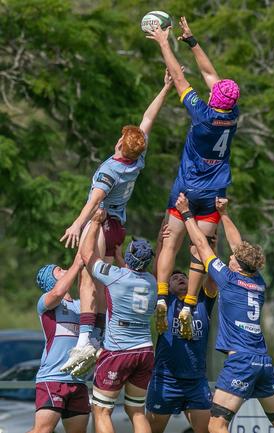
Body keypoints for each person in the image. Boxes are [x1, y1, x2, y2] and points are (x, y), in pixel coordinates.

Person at [60, 70, 174, 373]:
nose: (119, 138)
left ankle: (85, 340)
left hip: (101, 221)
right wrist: (164, 89)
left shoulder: (110, 169)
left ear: (121, 145)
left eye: (121, 138)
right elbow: (147, 119)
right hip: (117, 228)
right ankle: (98, 338)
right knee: (103, 282)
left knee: (88, 275)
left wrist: (77, 224)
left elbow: (94, 200)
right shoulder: (137, 157)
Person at [146, 17, 240, 339]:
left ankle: (161, 297)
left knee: (170, 242)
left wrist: (164, 42)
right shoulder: (232, 116)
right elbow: (212, 76)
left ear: (215, 99)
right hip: (214, 193)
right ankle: (188, 305)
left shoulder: (203, 114)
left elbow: (178, 76)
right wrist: (191, 41)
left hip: (187, 189)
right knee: (202, 249)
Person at [175, 192, 274, 433]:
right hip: (263, 363)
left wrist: (186, 213)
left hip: (241, 363)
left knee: (216, 425)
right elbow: (239, 247)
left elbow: (202, 245)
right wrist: (224, 215)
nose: (230, 257)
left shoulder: (228, 279)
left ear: (237, 265)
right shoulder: (257, 281)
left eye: (233, 258)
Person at [79, 207, 157, 433]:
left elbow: (87, 255)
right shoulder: (151, 281)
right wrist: (121, 255)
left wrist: (94, 223)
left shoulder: (115, 276)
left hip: (118, 351)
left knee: (102, 410)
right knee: (136, 411)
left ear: (130, 258)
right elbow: (131, 272)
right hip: (144, 351)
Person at [146, 270, 217, 433]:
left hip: (196, 381)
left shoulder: (203, 301)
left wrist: (209, 245)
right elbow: (158, 272)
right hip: (166, 379)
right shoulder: (165, 303)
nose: (180, 279)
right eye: (175, 278)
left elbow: (212, 278)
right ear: (167, 287)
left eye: (184, 277)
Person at [28, 254, 90, 433]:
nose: (65, 270)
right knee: (43, 430)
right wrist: (77, 263)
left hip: (78, 380)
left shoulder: (80, 306)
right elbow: (57, 292)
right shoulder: (46, 302)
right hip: (52, 378)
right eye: (59, 270)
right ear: (50, 280)